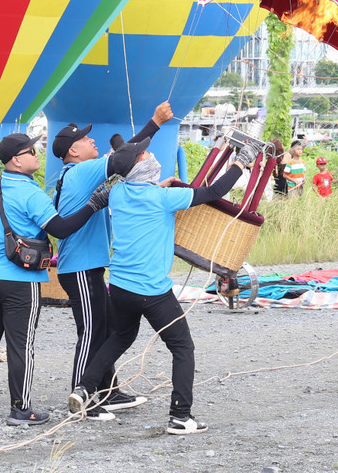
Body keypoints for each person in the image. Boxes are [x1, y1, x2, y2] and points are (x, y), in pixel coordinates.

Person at [69, 138, 244, 435]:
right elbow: (215, 192)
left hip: (121, 288)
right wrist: (242, 163)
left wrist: (162, 185)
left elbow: (142, 191)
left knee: (120, 338)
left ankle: (85, 388)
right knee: (182, 347)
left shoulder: (119, 192)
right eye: (146, 153)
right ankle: (180, 416)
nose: (151, 154)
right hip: (152, 292)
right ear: (140, 166)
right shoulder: (164, 199)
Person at [0, 133, 113, 426]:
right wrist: (94, 205)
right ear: (17, 160)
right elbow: (61, 228)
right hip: (19, 279)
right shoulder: (32, 193)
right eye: (31, 151)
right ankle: (21, 409)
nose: (37, 154)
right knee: (21, 344)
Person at [50, 104, 171, 416]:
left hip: (87, 266)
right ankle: (83, 399)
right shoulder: (80, 172)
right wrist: (154, 123)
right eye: (85, 140)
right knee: (91, 332)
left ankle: (110, 391)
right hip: (78, 267)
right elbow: (125, 156)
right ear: (72, 152)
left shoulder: (75, 174)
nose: (92, 141)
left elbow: (122, 156)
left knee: (103, 330)